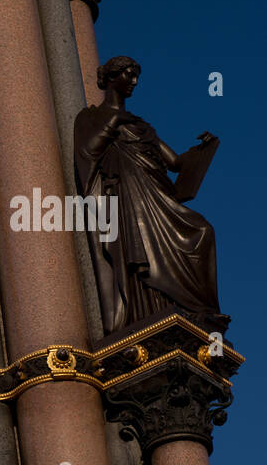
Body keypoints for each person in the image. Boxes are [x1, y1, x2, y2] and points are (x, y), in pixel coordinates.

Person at [74, 55, 222, 333]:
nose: (133, 82)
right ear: (110, 77)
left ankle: (199, 311)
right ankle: (152, 312)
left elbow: (176, 163)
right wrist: (113, 121)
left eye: (135, 76)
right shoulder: (91, 117)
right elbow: (88, 151)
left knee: (203, 231)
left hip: (156, 194)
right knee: (142, 254)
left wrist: (204, 149)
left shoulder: (141, 126)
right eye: (128, 75)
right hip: (128, 197)